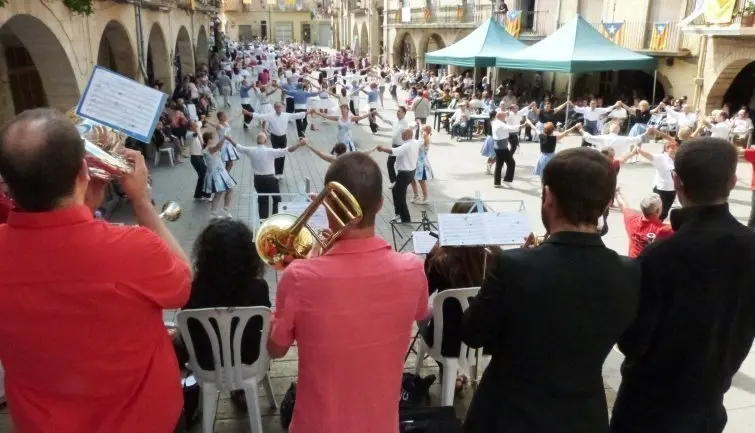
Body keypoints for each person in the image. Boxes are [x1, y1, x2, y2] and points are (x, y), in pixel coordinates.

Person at [0, 108, 191, 433]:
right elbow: (184, 282)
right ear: (83, 173)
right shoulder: (134, 247)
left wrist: (78, 195)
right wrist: (142, 201)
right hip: (144, 421)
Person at [461, 147, 639, 433]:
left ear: (548, 197)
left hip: (508, 415)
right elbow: (631, 343)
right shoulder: (631, 271)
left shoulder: (514, 265)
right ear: (607, 204)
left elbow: (472, 333)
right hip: (582, 417)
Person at [267, 153, 428, 433]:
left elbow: (276, 349)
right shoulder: (412, 268)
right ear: (380, 205)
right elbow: (420, 313)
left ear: (326, 203)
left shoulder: (299, 276)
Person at [611, 138, 755, 433]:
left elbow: (632, 342)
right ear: (733, 181)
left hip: (648, 408)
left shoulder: (663, 255)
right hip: (709, 405)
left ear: (676, 182)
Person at [180, 218, 270, 410]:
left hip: (206, 363)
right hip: (250, 360)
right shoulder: (259, 288)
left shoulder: (190, 290)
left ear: (205, 255)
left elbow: (191, 329)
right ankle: (241, 391)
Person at [422, 197, 493, 394]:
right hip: (482, 340)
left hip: (446, 342)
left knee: (427, 313)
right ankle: (461, 372)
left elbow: (423, 293)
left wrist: (430, 255)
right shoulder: (496, 258)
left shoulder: (441, 261)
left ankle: (449, 371)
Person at [234, 132, 307, 219]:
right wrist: (299, 144)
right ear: (266, 141)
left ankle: (263, 220)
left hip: (258, 180)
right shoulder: (270, 151)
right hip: (270, 180)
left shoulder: (251, 150)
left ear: (256, 141)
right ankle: (274, 218)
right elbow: (287, 150)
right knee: (277, 199)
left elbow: (238, 146)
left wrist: (228, 138)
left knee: (262, 200)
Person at [246, 102, 307, 179]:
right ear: (274, 108)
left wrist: (309, 112)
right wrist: (248, 113)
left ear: (282, 108)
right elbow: (259, 116)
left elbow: (297, 115)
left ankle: (280, 172)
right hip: (274, 137)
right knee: (276, 154)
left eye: (280, 107)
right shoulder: (270, 116)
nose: (278, 109)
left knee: (283, 154)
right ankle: (276, 172)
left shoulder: (286, 115)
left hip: (283, 137)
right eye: (277, 107)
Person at [377, 127, 422, 223]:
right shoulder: (415, 142)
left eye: (403, 133)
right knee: (395, 190)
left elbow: (393, 151)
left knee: (401, 196)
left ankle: (405, 218)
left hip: (404, 174)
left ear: (407, 135)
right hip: (411, 173)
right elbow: (422, 140)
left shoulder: (406, 146)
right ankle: (398, 213)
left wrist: (382, 149)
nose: (401, 135)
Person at [614, 189, 673, 257]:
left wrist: (617, 193)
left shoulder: (632, 220)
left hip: (632, 264)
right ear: (657, 211)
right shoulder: (666, 230)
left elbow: (623, 205)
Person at [636, 140, 678, 221]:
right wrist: (638, 149)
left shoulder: (677, 159)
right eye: (672, 148)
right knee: (657, 212)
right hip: (661, 189)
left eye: (676, 148)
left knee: (664, 212)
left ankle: (657, 226)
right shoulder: (661, 157)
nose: (675, 150)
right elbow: (649, 155)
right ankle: (651, 227)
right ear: (666, 149)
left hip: (672, 189)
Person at [491, 110, 530, 188]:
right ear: (501, 117)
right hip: (502, 148)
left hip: (497, 146)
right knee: (511, 163)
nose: (506, 117)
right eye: (504, 116)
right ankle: (507, 180)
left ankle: (497, 182)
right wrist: (524, 125)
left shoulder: (494, 122)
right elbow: (512, 128)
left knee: (499, 165)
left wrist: (505, 113)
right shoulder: (501, 124)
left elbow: (500, 116)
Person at [202, 131, 237, 219]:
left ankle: (217, 211)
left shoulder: (207, 147)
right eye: (213, 138)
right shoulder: (209, 148)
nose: (214, 139)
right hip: (217, 174)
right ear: (209, 139)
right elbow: (217, 147)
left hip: (219, 172)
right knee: (221, 192)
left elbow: (218, 147)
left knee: (225, 191)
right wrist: (224, 138)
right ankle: (220, 210)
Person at [187, 120, 210, 201]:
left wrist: (198, 124)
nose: (196, 126)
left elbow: (200, 122)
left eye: (196, 125)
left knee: (202, 176)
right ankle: (204, 194)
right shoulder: (189, 135)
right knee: (204, 175)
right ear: (190, 127)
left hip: (199, 157)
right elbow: (195, 133)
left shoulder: (196, 130)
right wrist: (198, 129)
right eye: (194, 125)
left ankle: (199, 195)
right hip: (195, 158)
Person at [386, 106, 409, 187]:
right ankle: (394, 181)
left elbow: (409, 131)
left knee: (401, 165)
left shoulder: (405, 123)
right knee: (390, 163)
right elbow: (387, 121)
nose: (397, 112)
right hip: (394, 146)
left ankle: (401, 182)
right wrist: (378, 115)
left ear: (404, 113)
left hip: (401, 146)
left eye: (399, 111)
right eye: (397, 111)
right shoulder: (396, 122)